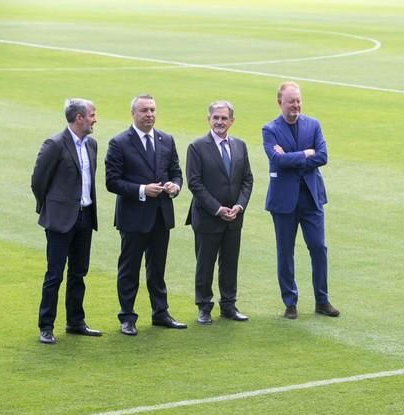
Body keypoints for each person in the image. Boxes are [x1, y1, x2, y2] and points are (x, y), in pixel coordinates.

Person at [105, 94, 186, 335]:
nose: (149, 114)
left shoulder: (166, 140)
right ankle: (127, 317)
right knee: (129, 269)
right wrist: (142, 190)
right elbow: (112, 182)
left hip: (161, 215)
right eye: (144, 111)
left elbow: (176, 172)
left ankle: (160, 313)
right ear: (133, 114)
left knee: (157, 268)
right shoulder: (119, 143)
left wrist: (175, 186)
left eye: (152, 110)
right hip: (133, 217)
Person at [262, 81, 339, 320]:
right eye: (291, 101)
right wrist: (305, 154)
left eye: (298, 100)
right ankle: (290, 302)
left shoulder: (313, 125)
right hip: (284, 201)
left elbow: (323, 156)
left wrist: (293, 157)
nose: (296, 105)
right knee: (285, 252)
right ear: (279, 103)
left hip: (311, 197)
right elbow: (277, 160)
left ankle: (322, 300)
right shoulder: (270, 129)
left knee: (318, 247)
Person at [31, 98, 103, 344]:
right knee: (54, 274)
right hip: (60, 220)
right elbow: (38, 181)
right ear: (79, 118)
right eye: (92, 115)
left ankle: (75, 322)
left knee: (79, 272)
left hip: (85, 217)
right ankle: (46, 326)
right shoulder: (54, 144)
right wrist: (50, 208)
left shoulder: (92, 144)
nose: (95, 119)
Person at [185, 101, 253, 324]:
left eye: (224, 118)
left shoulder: (240, 146)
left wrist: (239, 206)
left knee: (230, 263)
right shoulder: (197, 147)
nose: (220, 122)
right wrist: (217, 209)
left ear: (232, 121)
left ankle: (228, 305)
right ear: (209, 119)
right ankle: (204, 307)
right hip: (207, 218)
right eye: (216, 118)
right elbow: (194, 183)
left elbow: (247, 180)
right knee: (205, 263)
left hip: (234, 218)